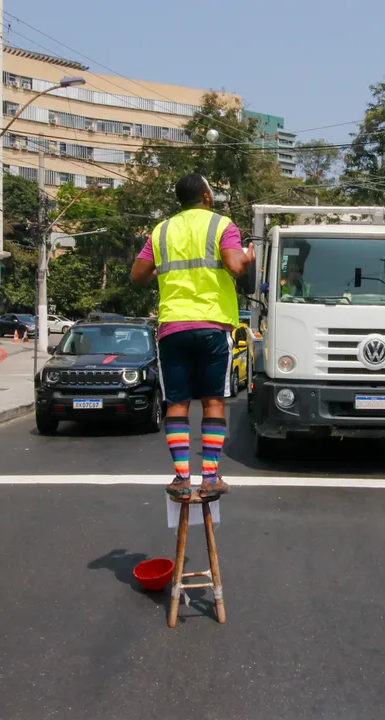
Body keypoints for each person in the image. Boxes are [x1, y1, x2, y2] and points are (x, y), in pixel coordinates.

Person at [130, 173, 254, 499]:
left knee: (177, 404)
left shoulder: (161, 231)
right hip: (213, 325)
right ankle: (210, 478)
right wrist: (247, 259)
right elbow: (235, 265)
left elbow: (138, 274)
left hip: (173, 326)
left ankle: (182, 479)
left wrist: (164, 268)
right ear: (206, 196)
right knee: (213, 402)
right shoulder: (221, 225)